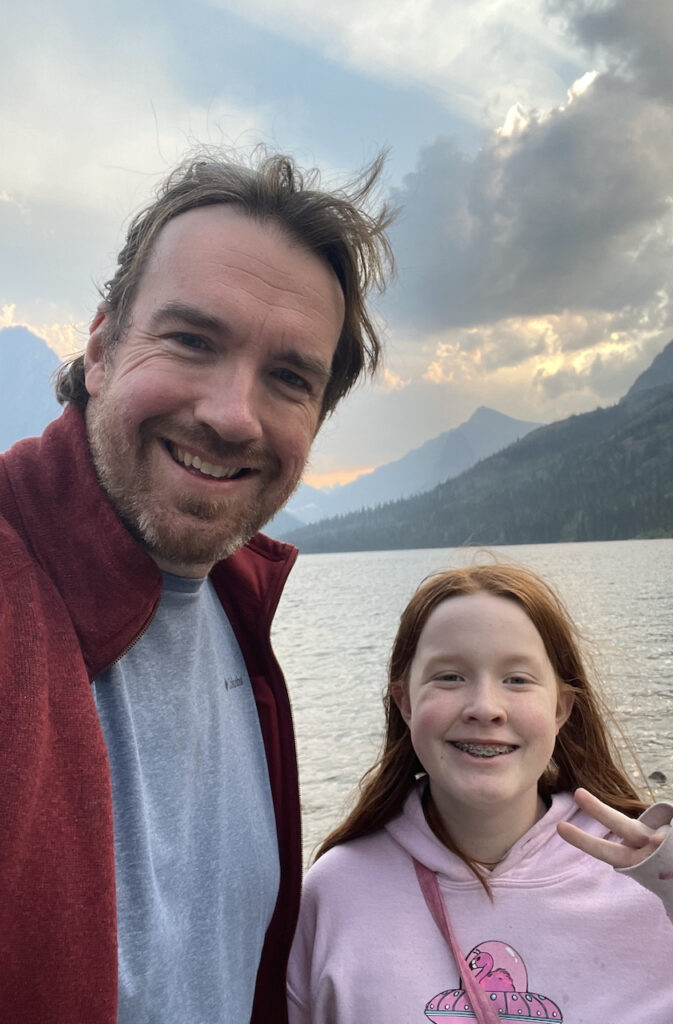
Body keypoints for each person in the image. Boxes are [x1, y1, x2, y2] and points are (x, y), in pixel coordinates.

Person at [0, 149, 393, 1024]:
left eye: (290, 378)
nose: (231, 413)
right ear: (102, 346)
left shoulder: (236, 605)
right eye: (191, 340)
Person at [287, 563, 673, 1023]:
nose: (484, 707)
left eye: (517, 679)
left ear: (562, 708)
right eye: (449, 676)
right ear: (405, 702)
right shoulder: (335, 894)